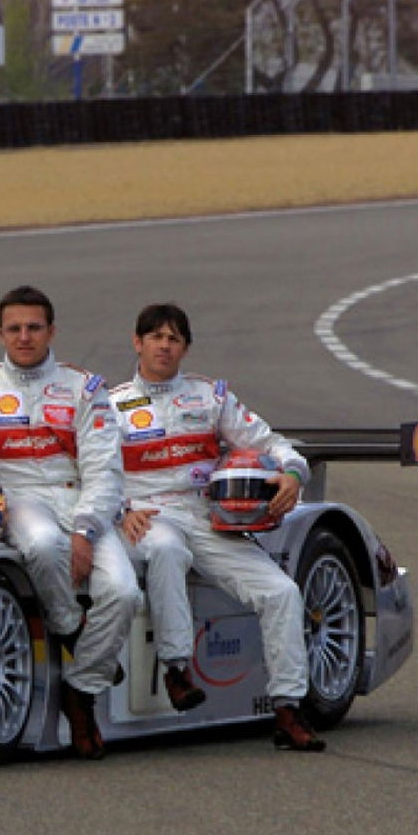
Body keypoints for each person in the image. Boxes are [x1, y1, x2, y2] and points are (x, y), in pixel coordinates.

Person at [0, 285, 137, 760]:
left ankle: (81, 686)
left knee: (123, 592)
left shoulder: (85, 388)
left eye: (34, 327)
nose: (24, 337)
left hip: (79, 497)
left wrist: (86, 532)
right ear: (0, 334)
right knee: (44, 545)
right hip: (15, 498)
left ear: (51, 331)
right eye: (14, 329)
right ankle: (71, 630)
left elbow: (105, 471)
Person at [107, 302, 325, 751]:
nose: (164, 346)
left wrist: (292, 473)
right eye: (156, 337)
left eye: (174, 339)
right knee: (167, 549)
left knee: (281, 592)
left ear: (186, 348)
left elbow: (271, 442)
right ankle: (176, 670)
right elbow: (89, 475)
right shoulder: (109, 406)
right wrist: (120, 510)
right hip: (145, 516)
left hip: (206, 515)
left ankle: (288, 707)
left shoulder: (210, 396)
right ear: (137, 343)